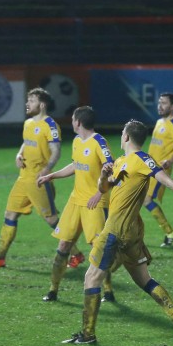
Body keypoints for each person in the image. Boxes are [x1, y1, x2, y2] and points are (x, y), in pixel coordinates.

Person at [63, 119, 173, 345]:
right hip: (132, 233)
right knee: (144, 280)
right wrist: (104, 176)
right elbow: (104, 188)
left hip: (115, 230)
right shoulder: (121, 162)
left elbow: (168, 180)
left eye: (122, 132)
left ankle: (87, 334)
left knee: (91, 277)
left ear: (126, 137)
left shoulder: (142, 159)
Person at [37, 106, 116, 302]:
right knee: (64, 244)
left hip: (94, 203)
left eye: (73, 119)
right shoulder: (76, 141)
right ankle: (53, 290)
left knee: (97, 247)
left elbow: (112, 168)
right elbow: (75, 165)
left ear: (78, 122)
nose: (71, 122)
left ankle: (108, 290)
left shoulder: (99, 142)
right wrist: (51, 175)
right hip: (75, 201)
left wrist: (100, 192)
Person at [0, 87, 61, 268]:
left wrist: (47, 169)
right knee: (10, 214)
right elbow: (26, 141)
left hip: (38, 180)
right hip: (23, 178)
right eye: (28, 100)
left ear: (42, 104)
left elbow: (56, 151)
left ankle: (74, 253)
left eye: (31, 101)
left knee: (51, 219)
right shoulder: (28, 123)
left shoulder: (50, 125)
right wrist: (19, 154)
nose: (27, 104)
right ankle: (0, 257)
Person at [142, 92, 173, 247]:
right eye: (159, 102)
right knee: (137, 197)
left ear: (172, 106)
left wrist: (170, 160)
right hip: (148, 167)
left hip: (160, 170)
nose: (159, 106)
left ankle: (170, 232)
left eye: (164, 103)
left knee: (145, 199)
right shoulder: (159, 122)